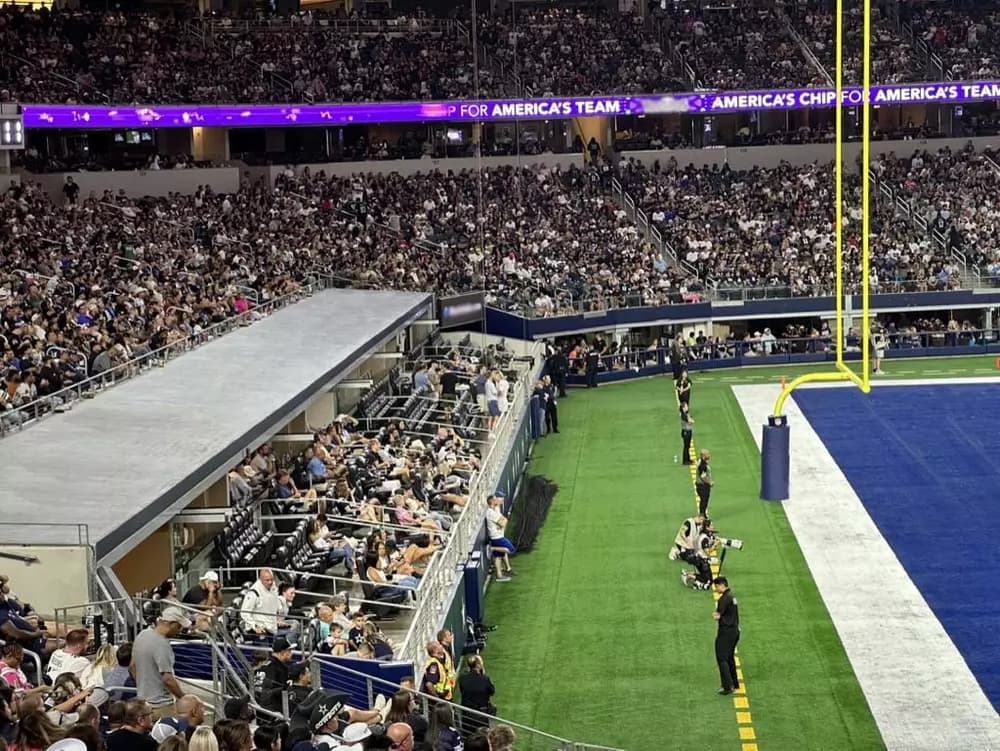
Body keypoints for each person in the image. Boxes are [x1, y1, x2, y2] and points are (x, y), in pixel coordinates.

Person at [131, 608, 190, 717]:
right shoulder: (162, 644)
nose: (179, 631)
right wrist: (184, 698)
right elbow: (168, 679)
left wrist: (144, 687)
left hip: (143, 703)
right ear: (172, 624)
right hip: (162, 706)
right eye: (179, 626)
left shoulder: (142, 635)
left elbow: (132, 666)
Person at [713, 576, 741, 695]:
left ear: (721, 585)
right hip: (735, 631)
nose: (716, 589)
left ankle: (727, 686)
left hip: (726, 632)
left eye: (716, 586)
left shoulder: (724, 599)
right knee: (729, 657)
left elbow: (718, 615)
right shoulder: (732, 596)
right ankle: (734, 682)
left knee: (722, 657)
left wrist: (715, 615)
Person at [252, 637, 295, 715]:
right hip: (271, 712)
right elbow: (281, 691)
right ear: (283, 652)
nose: (291, 653)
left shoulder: (265, 663)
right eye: (289, 650)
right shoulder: (281, 668)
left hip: (257, 706)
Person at [458, 655, 494, 735]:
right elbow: (492, 691)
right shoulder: (485, 679)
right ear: (478, 665)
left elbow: (462, 690)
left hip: (466, 714)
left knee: (467, 736)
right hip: (480, 715)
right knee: (482, 737)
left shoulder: (462, 678)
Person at [696, 449, 713, 516]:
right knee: (704, 501)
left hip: (702, 486)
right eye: (707, 454)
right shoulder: (702, 465)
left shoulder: (702, 462)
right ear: (703, 456)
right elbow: (703, 476)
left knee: (704, 501)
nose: (709, 455)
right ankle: (702, 515)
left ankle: (703, 514)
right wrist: (710, 482)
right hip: (703, 486)